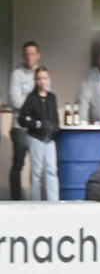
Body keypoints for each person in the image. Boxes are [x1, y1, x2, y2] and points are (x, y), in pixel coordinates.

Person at [17, 66, 59, 200]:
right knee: (37, 173)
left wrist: (55, 129)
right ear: (36, 80)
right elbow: (22, 119)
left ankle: (54, 201)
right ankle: (37, 201)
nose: (42, 81)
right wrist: (35, 124)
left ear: (49, 79)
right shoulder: (31, 98)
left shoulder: (52, 97)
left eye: (45, 78)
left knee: (52, 170)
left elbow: (55, 116)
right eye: (39, 79)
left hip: (50, 138)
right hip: (36, 138)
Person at [8, 41, 41, 200]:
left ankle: (36, 200)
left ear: (38, 55)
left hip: (37, 127)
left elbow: (46, 99)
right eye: (26, 54)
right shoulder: (17, 74)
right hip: (19, 126)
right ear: (23, 56)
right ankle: (15, 200)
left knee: (37, 165)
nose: (29, 57)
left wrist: (31, 103)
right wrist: (34, 104)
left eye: (32, 54)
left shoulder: (41, 74)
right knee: (18, 165)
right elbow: (15, 101)